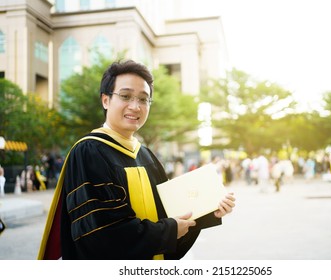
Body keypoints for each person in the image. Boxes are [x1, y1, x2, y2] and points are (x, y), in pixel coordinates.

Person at [38, 60, 235, 260]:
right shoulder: (89, 151)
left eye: (143, 99)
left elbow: (168, 220)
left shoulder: (146, 156)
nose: (135, 106)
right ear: (105, 100)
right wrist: (168, 230)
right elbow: (102, 233)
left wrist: (208, 210)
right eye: (125, 96)